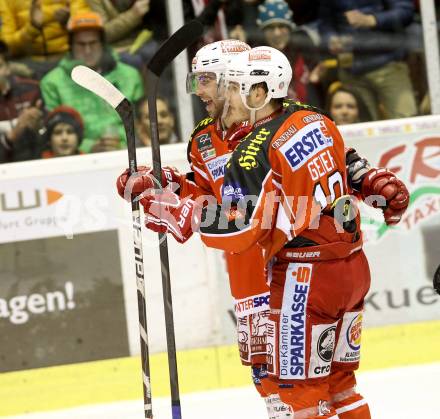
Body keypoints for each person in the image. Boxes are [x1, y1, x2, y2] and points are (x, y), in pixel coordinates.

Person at [130, 47, 410, 418]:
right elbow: (207, 188)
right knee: (281, 381)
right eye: (197, 81)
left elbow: (242, 218)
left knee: (296, 390)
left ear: (244, 84)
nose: (201, 91)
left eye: (211, 81)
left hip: (296, 271)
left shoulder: (261, 140)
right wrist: (171, 184)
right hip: (272, 271)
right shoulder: (209, 137)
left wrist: (177, 212)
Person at [40, 11, 144, 153]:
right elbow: (54, 133)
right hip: (78, 159)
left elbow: (142, 123)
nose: (87, 50)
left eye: (93, 43)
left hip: (130, 153)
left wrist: (122, 144)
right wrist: (89, 148)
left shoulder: (130, 75)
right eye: (81, 44)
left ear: (102, 44)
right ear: (71, 46)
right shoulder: (52, 83)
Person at [318, 0, 417, 121]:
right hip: (351, 68)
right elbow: (325, 22)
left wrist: (372, 19)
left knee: (406, 121)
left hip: (387, 63)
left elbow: (406, 12)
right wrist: (330, 39)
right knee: (358, 126)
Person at [0, 0, 90, 78]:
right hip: (29, 64)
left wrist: (70, 22)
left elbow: (88, 29)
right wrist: (32, 29)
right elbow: (7, 46)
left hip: (68, 58)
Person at [256, 0, 321, 106]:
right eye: (270, 28)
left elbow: (319, 75)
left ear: (290, 28)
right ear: (262, 32)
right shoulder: (257, 56)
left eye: (281, 26)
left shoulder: (303, 46)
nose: (277, 33)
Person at [0, 41, 44, 163]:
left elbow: (52, 132)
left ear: (8, 68)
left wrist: (39, 126)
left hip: (37, 163)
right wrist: (13, 135)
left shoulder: (31, 89)